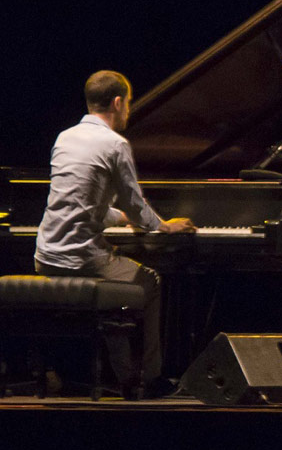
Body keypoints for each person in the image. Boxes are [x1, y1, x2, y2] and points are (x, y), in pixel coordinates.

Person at [34, 70, 195, 394]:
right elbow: (135, 203)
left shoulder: (64, 137)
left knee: (114, 289)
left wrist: (118, 218)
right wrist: (163, 225)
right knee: (150, 281)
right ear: (118, 102)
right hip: (81, 259)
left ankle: (123, 377)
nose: (129, 110)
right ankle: (150, 378)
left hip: (45, 255)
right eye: (129, 103)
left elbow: (80, 202)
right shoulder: (114, 143)